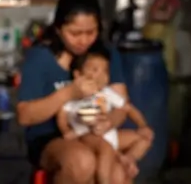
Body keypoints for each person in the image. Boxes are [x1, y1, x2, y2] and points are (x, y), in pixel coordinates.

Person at [16, 0, 150, 184]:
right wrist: (70, 92)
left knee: (118, 175)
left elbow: (122, 106)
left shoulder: (106, 56)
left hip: (97, 135)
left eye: (91, 32)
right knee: (82, 162)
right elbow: (25, 116)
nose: (84, 40)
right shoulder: (41, 58)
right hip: (49, 138)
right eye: (75, 33)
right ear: (58, 29)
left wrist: (108, 122)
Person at [57, 44, 154, 184]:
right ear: (78, 74)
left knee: (144, 139)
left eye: (106, 71)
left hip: (110, 134)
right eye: (95, 70)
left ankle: (128, 159)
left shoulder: (107, 93)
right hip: (87, 134)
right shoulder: (73, 93)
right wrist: (66, 131)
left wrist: (142, 125)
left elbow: (128, 108)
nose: (102, 75)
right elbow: (62, 114)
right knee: (107, 151)